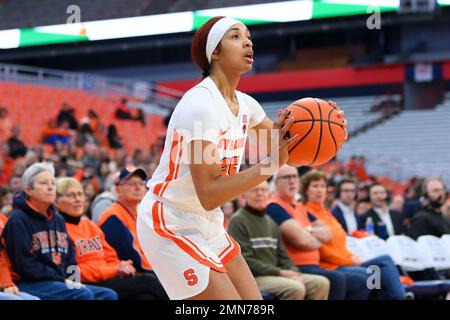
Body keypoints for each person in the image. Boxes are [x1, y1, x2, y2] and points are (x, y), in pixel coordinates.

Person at [137, 16, 347, 300]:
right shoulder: (200, 106)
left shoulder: (247, 105)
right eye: (235, 36)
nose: (248, 41)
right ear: (215, 52)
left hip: (207, 222)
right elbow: (209, 193)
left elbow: (291, 152)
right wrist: (270, 164)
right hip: (171, 221)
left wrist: (329, 129)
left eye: (248, 36)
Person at [1, 162, 118, 300]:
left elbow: (70, 259)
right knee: (83, 294)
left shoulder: (58, 219)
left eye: (52, 183)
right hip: (29, 282)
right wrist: (62, 279)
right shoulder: (18, 220)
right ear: (28, 190)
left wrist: (74, 281)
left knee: (108, 295)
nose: (50, 187)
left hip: (58, 281)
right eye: (44, 183)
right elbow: (25, 266)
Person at [55, 177, 168, 300]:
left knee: (145, 298)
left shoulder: (90, 226)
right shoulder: (59, 231)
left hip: (110, 277)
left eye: (80, 194)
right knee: (148, 281)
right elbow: (75, 273)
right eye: (71, 195)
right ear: (57, 202)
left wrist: (120, 266)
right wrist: (114, 270)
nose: (77, 199)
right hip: (90, 284)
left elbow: (111, 257)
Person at [267, 165, 369, 300]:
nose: (291, 181)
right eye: (286, 177)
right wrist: (347, 260)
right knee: (368, 276)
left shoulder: (303, 208)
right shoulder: (275, 206)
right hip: (302, 265)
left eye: (294, 177)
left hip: (331, 262)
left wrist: (307, 231)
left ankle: (398, 294)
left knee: (374, 275)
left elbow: (328, 235)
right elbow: (303, 241)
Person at [301, 170, 406, 300]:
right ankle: (400, 297)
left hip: (346, 261)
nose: (319, 190)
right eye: (315, 186)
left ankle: (398, 296)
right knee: (375, 274)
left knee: (384, 262)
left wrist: (351, 256)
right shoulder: (306, 212)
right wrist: (349, 260)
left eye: (322, 186)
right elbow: (321, 249)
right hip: (331, 265)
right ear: (306, 190)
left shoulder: (327, 213)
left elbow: (340, 244)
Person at [228, 180, 329, 300]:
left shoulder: (270, 222)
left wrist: (293, 271)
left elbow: (283, 255)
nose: (260, 194)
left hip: (275, 275)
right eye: (255, 190)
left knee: (321, 283)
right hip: (255, 277)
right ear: (245, 195)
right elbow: (245, 260)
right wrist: (280, 273)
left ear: (268, 195)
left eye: (264, 190)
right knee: (295, 288)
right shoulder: (237, 220)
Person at [98, 167, 154, 274]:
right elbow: (133, 258)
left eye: (141, 183)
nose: (138, 187)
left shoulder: (139, 216)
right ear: (117, 190)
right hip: (123, 273)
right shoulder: (112, 217)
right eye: (131, 184)